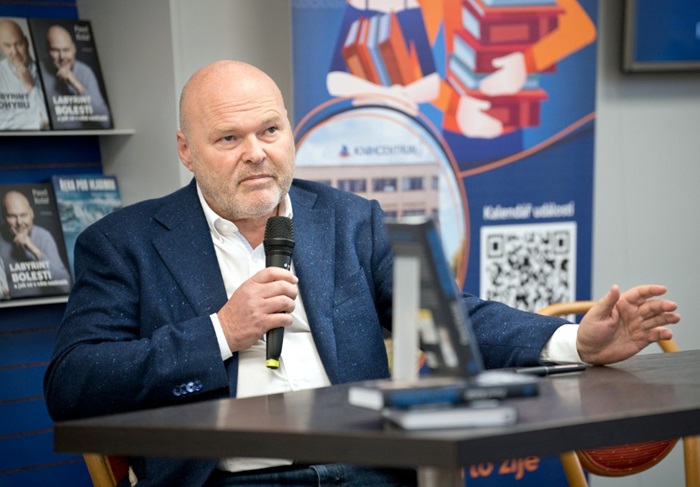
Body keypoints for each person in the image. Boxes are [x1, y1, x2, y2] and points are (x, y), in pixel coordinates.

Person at [43, 60, 680, 487]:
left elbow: (448, 320)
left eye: (270, 130)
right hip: (233, 480)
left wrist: (573, 341)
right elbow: (73, 382)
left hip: (372, 473)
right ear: (187, 149)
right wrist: (220, 332)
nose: (257, 153)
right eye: (229, 138)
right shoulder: (122, 244)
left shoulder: (353, 220)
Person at [0, 189, 71, 298]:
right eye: (12, 216)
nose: (19, 222)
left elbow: (66, 286)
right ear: (4, 217)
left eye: (23, 215)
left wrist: (35, 250)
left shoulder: (44, 237)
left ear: (31, 213)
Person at [40, 23, 111, 129]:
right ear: (47, 50)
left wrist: (76, 84)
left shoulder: (85, 72)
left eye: (66, 50)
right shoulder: (38, 70)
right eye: (55, 50)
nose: (62, 57)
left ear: (74, 49)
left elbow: (106, 122)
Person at [0, 18, 49, 130]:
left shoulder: (48, 70)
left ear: (26, 42)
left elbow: (51, 118)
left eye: (19, 44)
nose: (14, 52)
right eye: (7, 46)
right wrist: (39, 122)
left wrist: (31, 87)